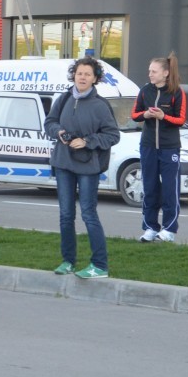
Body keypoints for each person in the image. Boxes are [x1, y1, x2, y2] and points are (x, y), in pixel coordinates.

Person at [44, 57, 121, 279]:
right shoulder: (64, 98)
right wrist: (59, 131)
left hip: (88, 166)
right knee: (66, 215)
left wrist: (87, 141)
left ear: (95, 78)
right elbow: (49, 122)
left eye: (88, 74)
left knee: (89, 214)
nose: (83, 77)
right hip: (63, 164)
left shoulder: (101, 105)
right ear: (73, 75)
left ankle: (100, 265)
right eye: (79, 73)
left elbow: (112, 135)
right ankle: (68, 261)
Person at [132, 53, 187, 242]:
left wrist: (164, 117)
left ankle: (169, 230)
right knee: (149, 187)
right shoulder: (145, 90)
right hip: (147, 146)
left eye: (154, 71)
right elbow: (134, 114)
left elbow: (180, 119)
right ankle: (150, 228)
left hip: (169, 147)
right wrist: (145, 115)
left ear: (165, 73)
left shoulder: (177, 92)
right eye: (149, 71)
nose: (150, 74)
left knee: (170, 189)